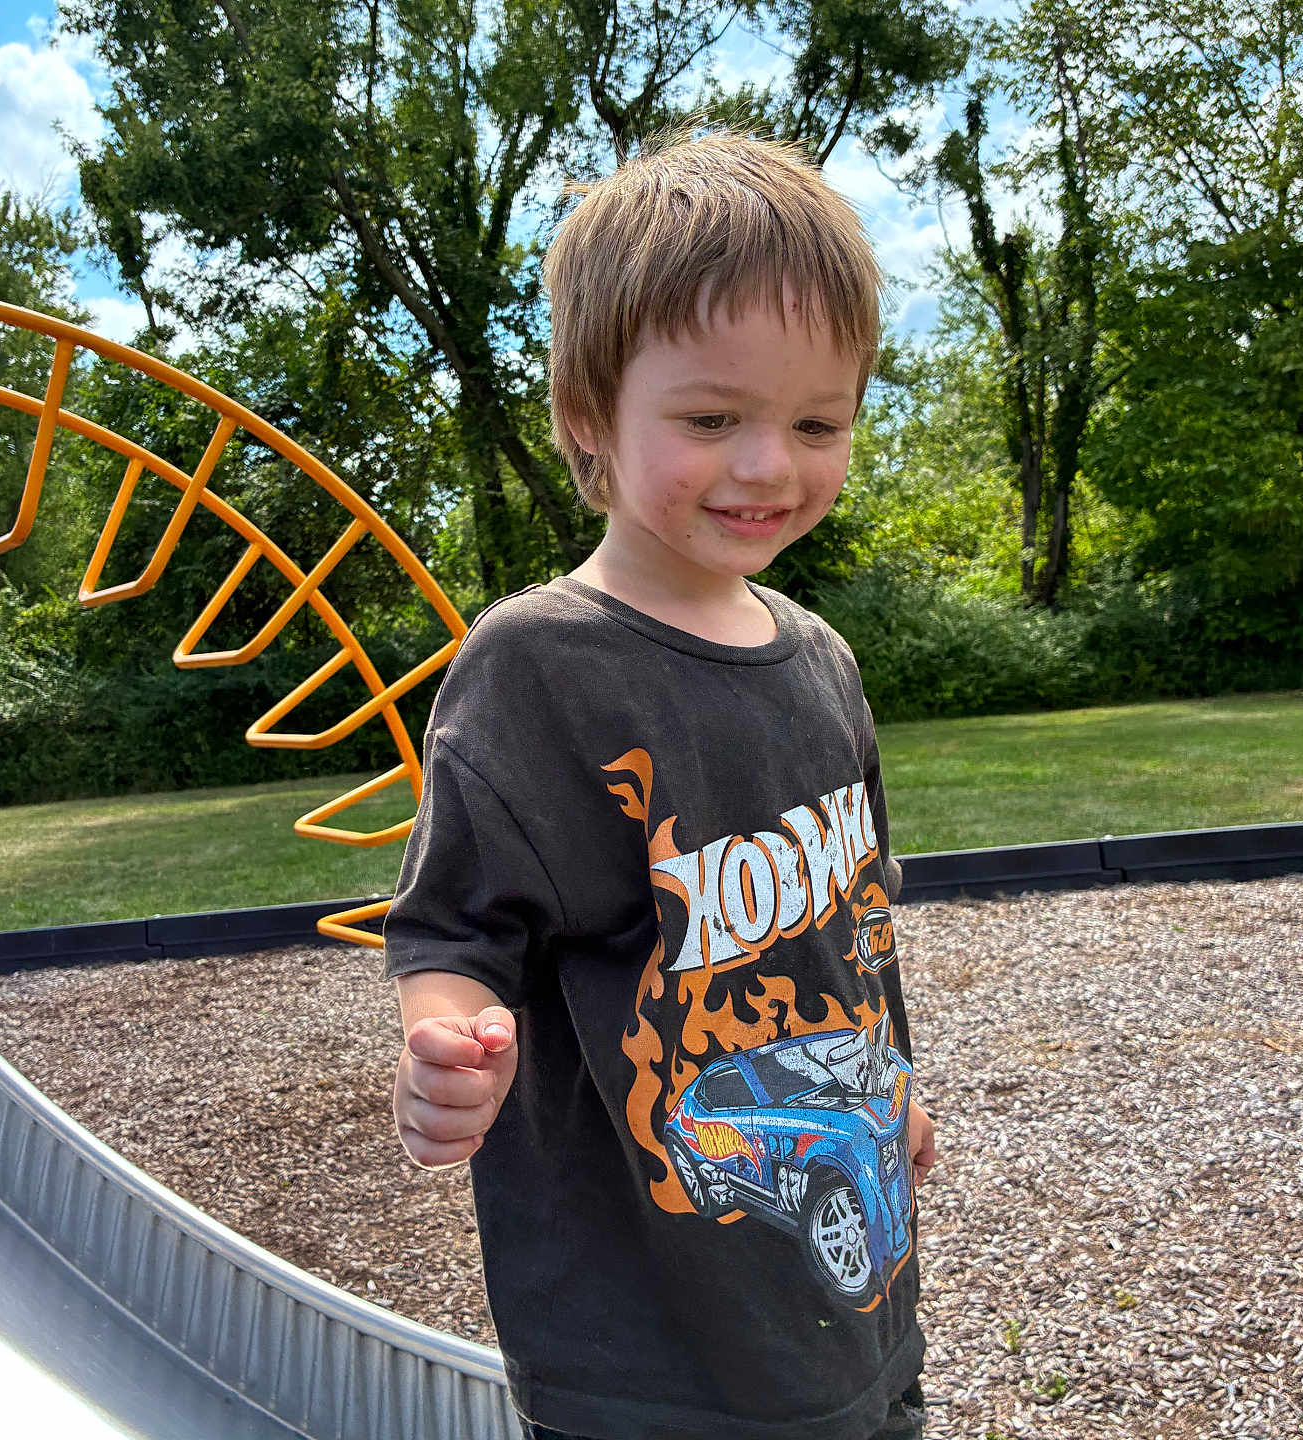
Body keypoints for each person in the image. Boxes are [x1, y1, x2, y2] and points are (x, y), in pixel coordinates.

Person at [384, 128, 937, 1440]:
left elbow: (859, 934)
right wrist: (446, 1045)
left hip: (852, 1307)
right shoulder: (539, 668)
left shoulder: (825, 664)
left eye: (819, 423)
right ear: (590, 414)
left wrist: (896, 1093)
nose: (770, 466)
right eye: (711, 420)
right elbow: (453, 930)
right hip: (646, 1346)